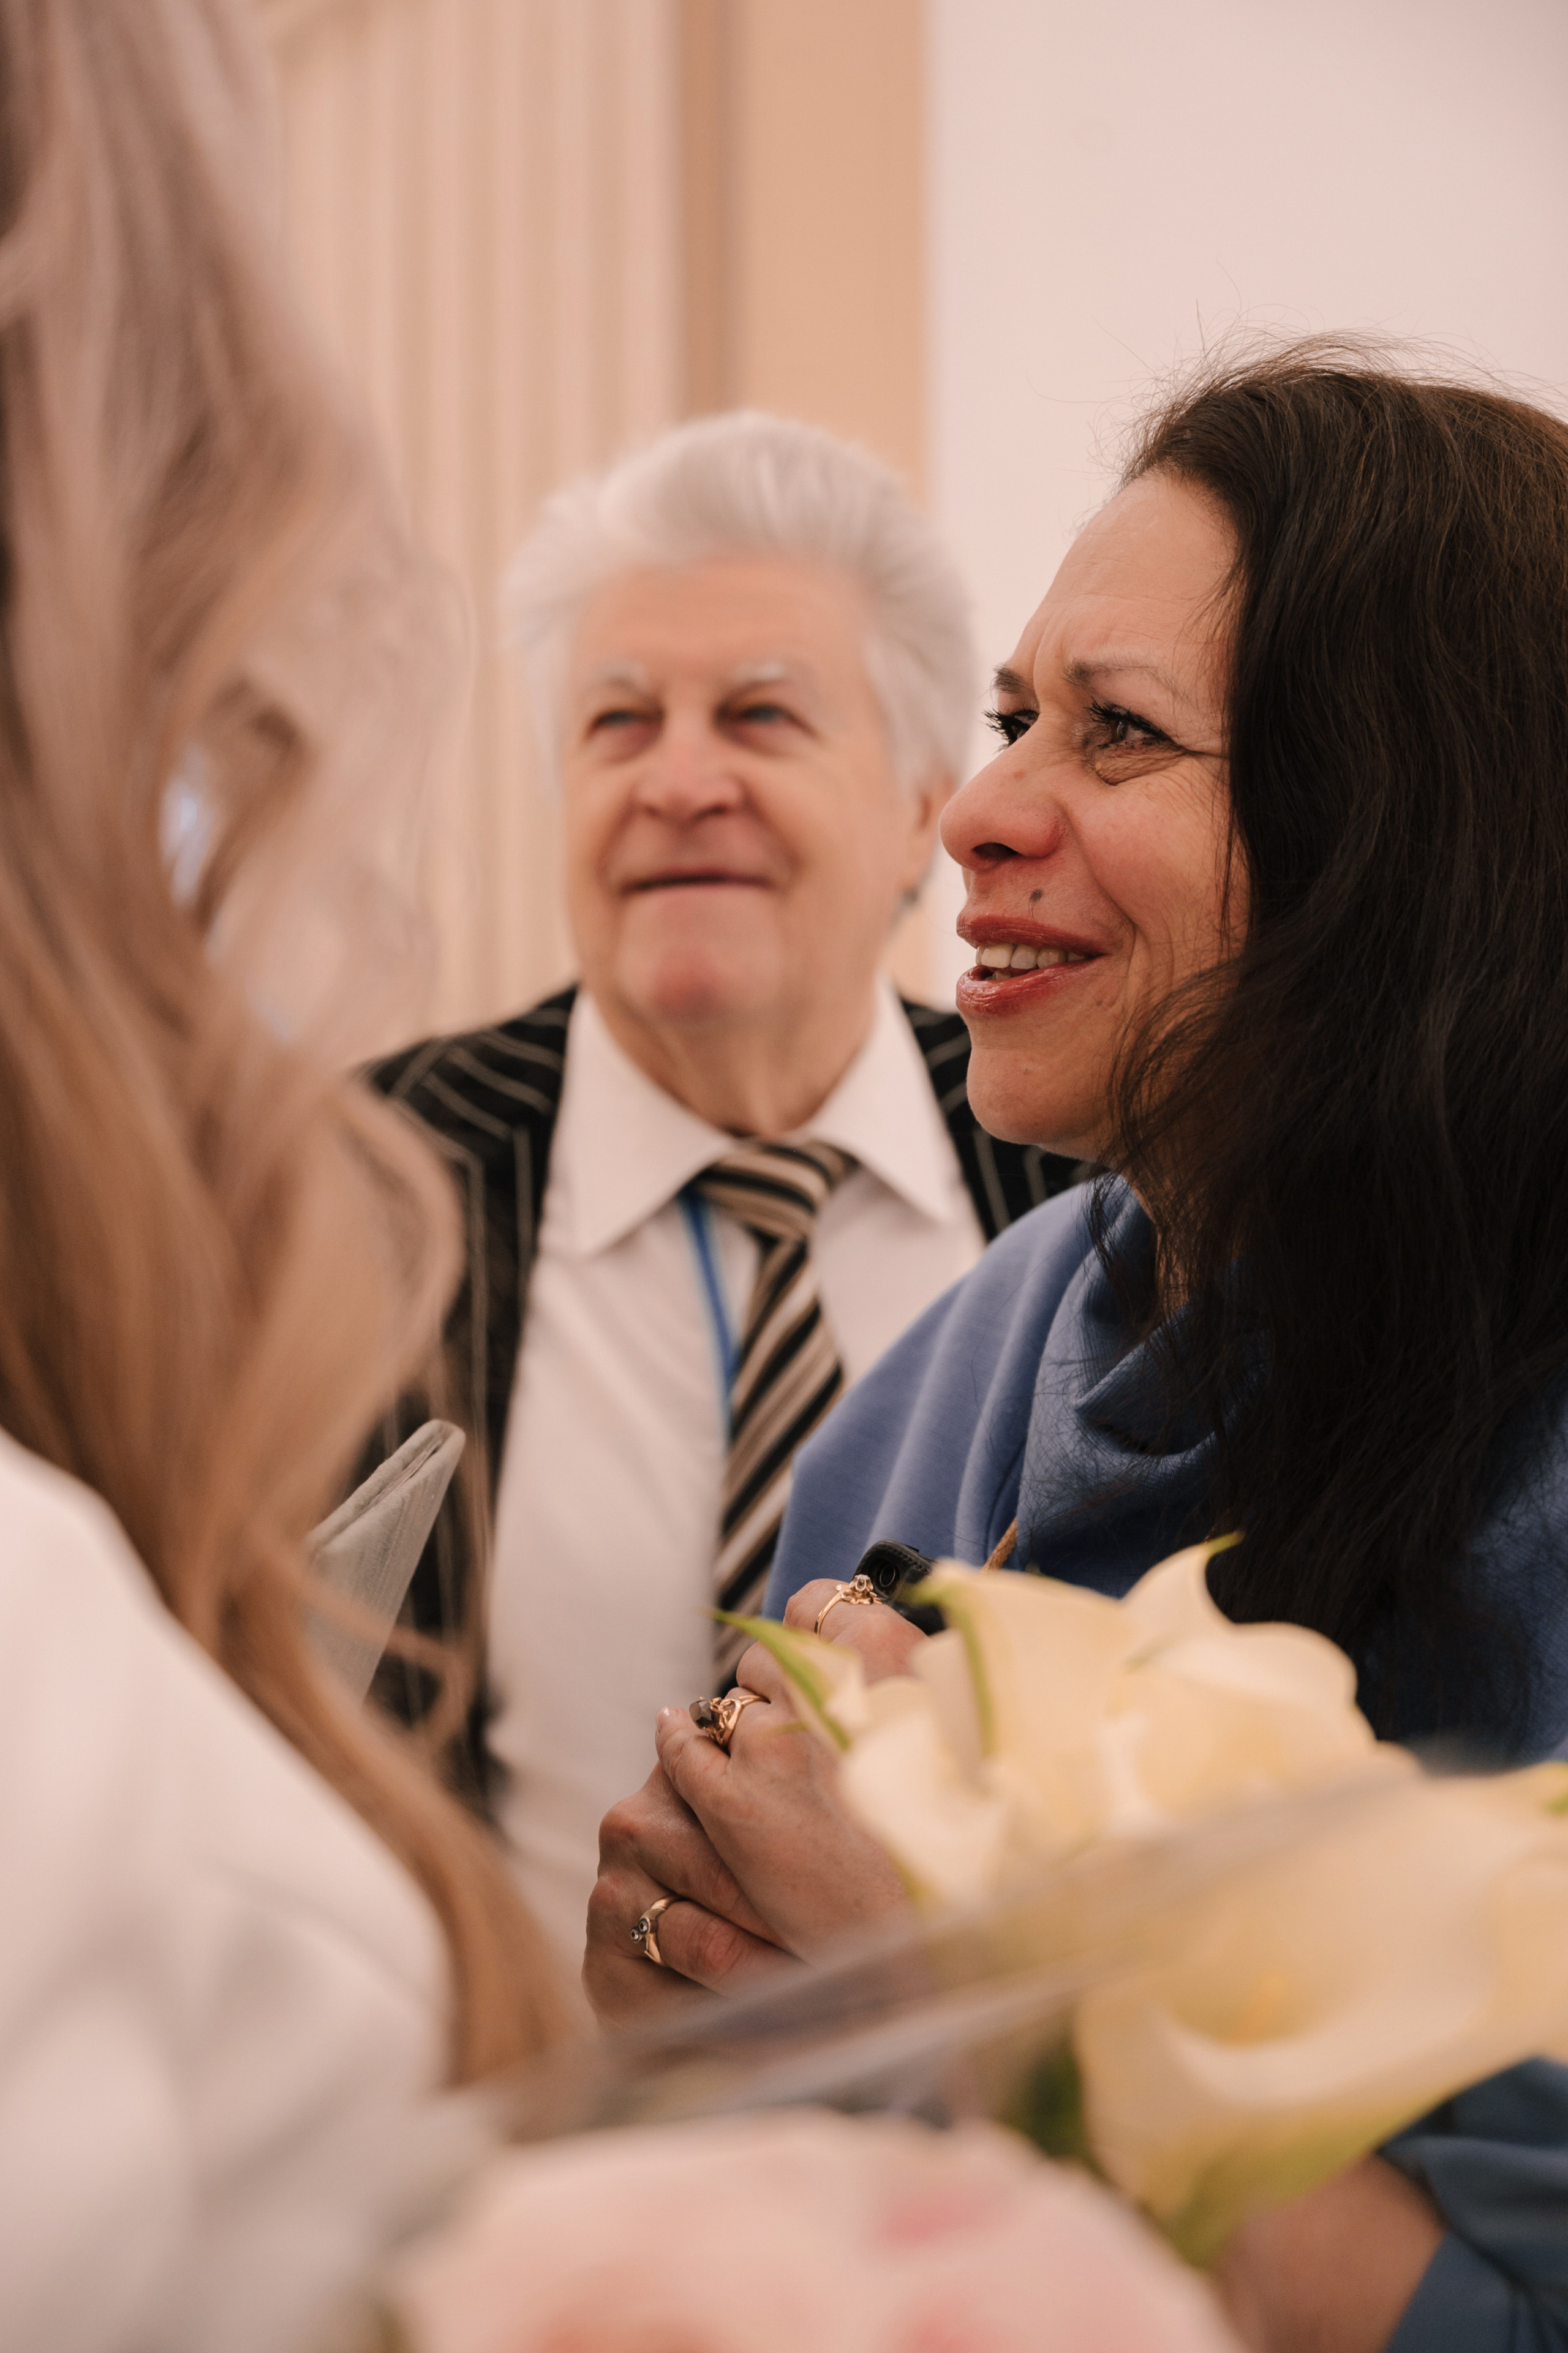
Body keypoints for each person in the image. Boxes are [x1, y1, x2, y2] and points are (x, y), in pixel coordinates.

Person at [585, 348, 1568, 2351]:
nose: (977, 812)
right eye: (1012, 715)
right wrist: (700, 1989)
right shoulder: (939, 1401)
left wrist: (971, 1995)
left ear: (1406, 824)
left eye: (1116, 735)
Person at [366, 414, 1082, 1962]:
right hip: (489, 2156)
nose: (678, 780)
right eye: (616, 724)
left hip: (969, 2154)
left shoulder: (1091, 1180)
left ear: (915, 808)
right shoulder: (348, 1185)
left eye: (758, 715)